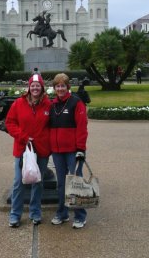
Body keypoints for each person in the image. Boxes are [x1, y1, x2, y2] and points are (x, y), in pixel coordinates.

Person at [5, 73, 51, 228]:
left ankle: (35, 212)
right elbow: (10, 123)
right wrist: (23, 137)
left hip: (41, 150)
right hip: (22, 148)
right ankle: (15, 215)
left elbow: (52, 126)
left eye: (38, 86)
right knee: (19, 182)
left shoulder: (48, 105)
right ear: (29, 87)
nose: (35, 88)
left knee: (38, 182)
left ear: (42, 88)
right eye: (33, 85)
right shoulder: (19, 103)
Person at [49, 73, 88, 229]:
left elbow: (82, 128)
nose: (60, 89)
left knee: (76, 182)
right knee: (61, 184)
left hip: (73, 151)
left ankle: (80, 215)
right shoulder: (52, 105)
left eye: (63, 86)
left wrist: (81, 149)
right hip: (57, 151)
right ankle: (62, 213)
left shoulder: (76, 103)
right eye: (57, 86)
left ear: (67, 87)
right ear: (54, 88)